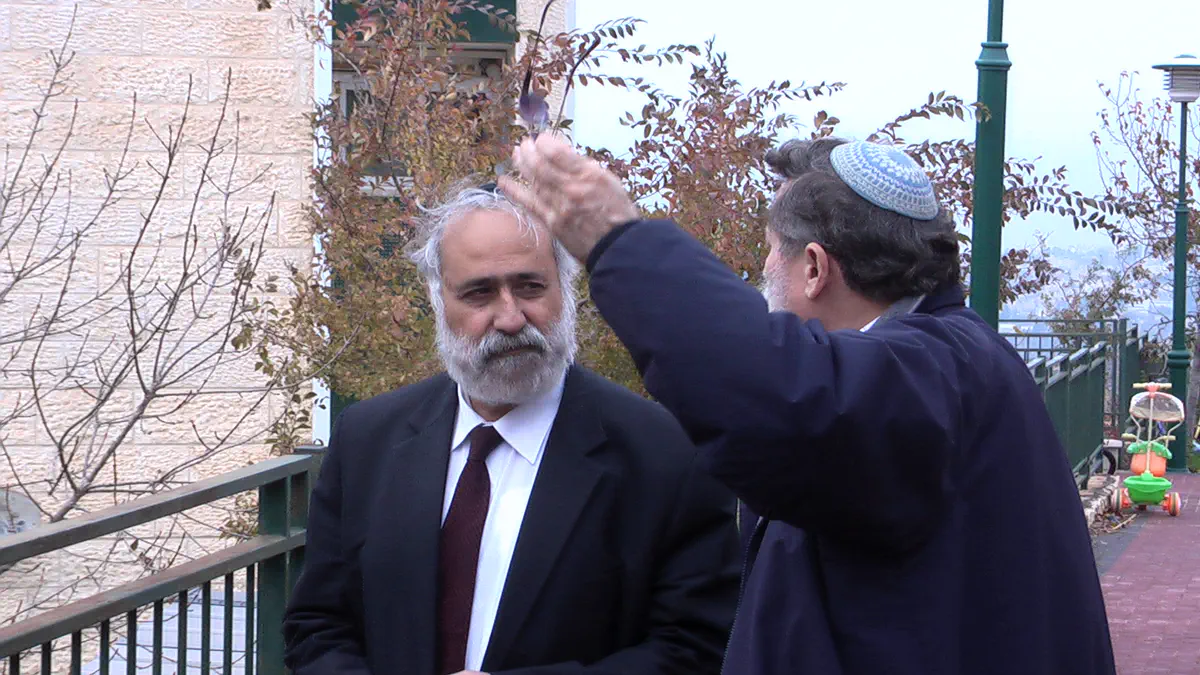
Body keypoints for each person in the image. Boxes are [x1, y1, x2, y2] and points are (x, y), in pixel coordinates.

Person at [500, 136, 1117, 675]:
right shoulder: (956, 361)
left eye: (772, 249)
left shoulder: (930, 377)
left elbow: (777, 393)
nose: (763, 267)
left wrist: (619, 242)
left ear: (815, 267)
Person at [282, 182, 741, 675]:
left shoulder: (664, 453)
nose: (510, 318)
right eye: (479, 292)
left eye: (530, 287)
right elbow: (317, 626)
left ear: (565, 290)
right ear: (438, 302)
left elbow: (696, 648)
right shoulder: (368, 439)